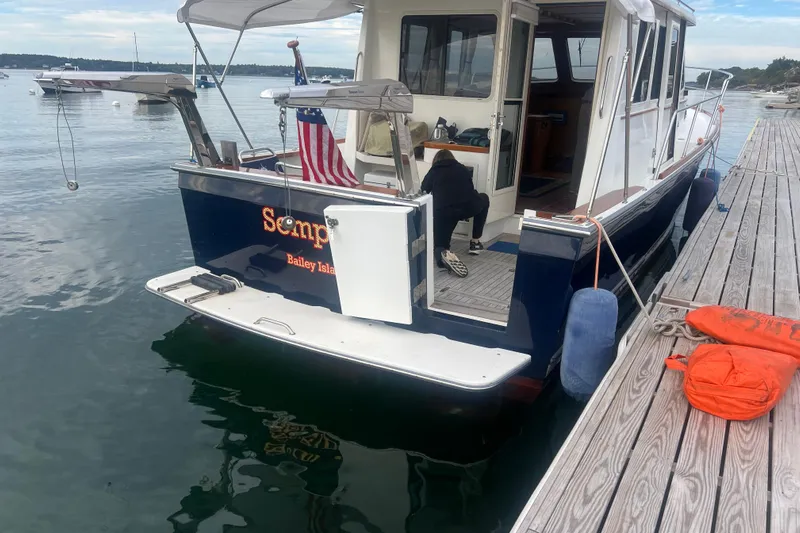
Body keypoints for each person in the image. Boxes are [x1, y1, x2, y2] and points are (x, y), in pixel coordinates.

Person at [420, 149, 490, 278]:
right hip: (467, 207)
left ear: (436, 160)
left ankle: (444, 255)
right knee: (484, 199)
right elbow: (469, 188)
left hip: (444, 212)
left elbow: (423, 190)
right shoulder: (462, 169)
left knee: (440, 245)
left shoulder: (434, 171)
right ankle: (475, 242)